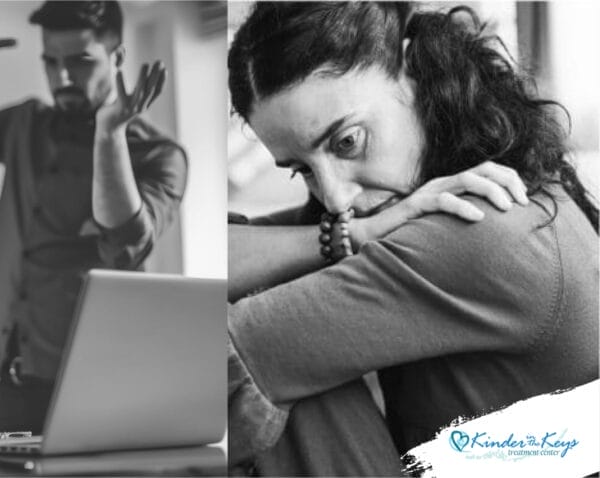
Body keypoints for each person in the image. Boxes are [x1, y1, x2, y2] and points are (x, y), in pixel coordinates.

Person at [226, 2, 599, 475]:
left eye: (347, 142)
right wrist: (353, 234)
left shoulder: (479, 228)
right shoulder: (407, 208)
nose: (336, 198)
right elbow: (188, 258)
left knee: (262, 349)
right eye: (303, 171)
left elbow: (190, 347)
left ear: (416, 74)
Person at [0, 1, 187, 434]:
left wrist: (109, 133)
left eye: (79, 63)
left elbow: (126, 243)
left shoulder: (158, 156)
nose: (61, 78)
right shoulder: (27, 124)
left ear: (117, 57)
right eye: (51, 62)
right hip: (16, 381)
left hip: (101, 390)